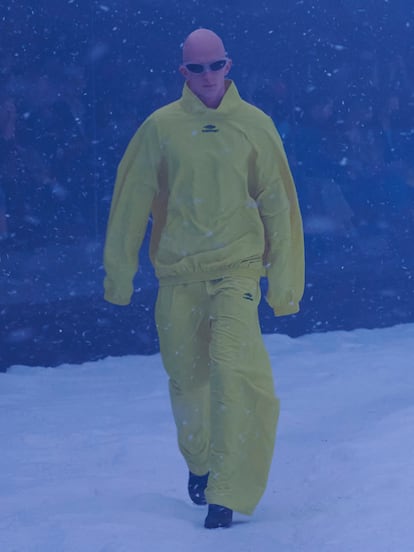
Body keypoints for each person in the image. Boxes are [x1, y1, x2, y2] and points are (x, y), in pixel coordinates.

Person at [103, 28, 305, 529]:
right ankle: (200, 463)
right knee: (187, 382)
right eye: (198, 68)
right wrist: (119, 275)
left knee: (234, 372)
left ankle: (226, 492)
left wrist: (283, 283)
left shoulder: (254, 124)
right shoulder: (161, 127)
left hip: (238, 268)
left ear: (229, 66)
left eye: (216, 65)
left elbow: (280, 205)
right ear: (183, 73)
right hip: (178, 274)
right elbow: (131, 203)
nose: (209, 76)